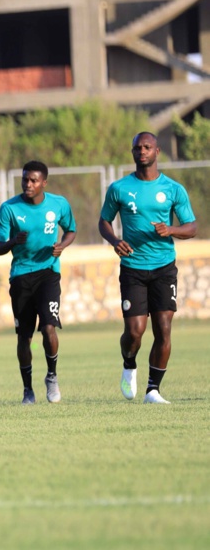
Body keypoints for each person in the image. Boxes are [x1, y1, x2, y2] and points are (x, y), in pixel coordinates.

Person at [99, 132, 197, 404]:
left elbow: (192, 227)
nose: (142, 151)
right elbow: (104, 221)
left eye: (147, 147)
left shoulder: (173, 189)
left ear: (157, 152)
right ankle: (129, 363)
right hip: (133, 267)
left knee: (163, 329)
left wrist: (171, 230)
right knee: (135, 331)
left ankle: (153, 390)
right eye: (137, 148)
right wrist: (115, 241)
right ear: (132, 152)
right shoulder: (119, 188)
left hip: (164, 267)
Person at [0, 161, 77, 405]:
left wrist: (62, 245)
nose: (28, 184)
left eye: (34, 180)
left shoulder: (58, 204)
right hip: (21, 276)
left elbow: (71, 230)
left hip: (48, 273)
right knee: (24, 337)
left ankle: (52, 376)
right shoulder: (9, 209)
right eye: (25, 180)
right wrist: (13, 242)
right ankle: (27, 390)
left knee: (49, 327)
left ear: (44, 183)